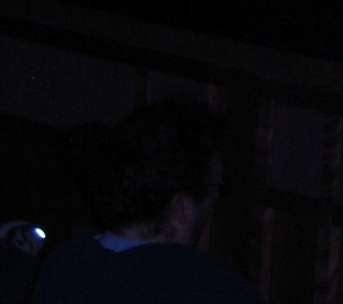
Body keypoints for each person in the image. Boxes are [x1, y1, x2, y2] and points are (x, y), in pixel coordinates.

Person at [32, 97, 260, 304]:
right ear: (181, 209)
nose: (210, 210)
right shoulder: (214, 288)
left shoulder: (62, 267)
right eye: (213, 193)